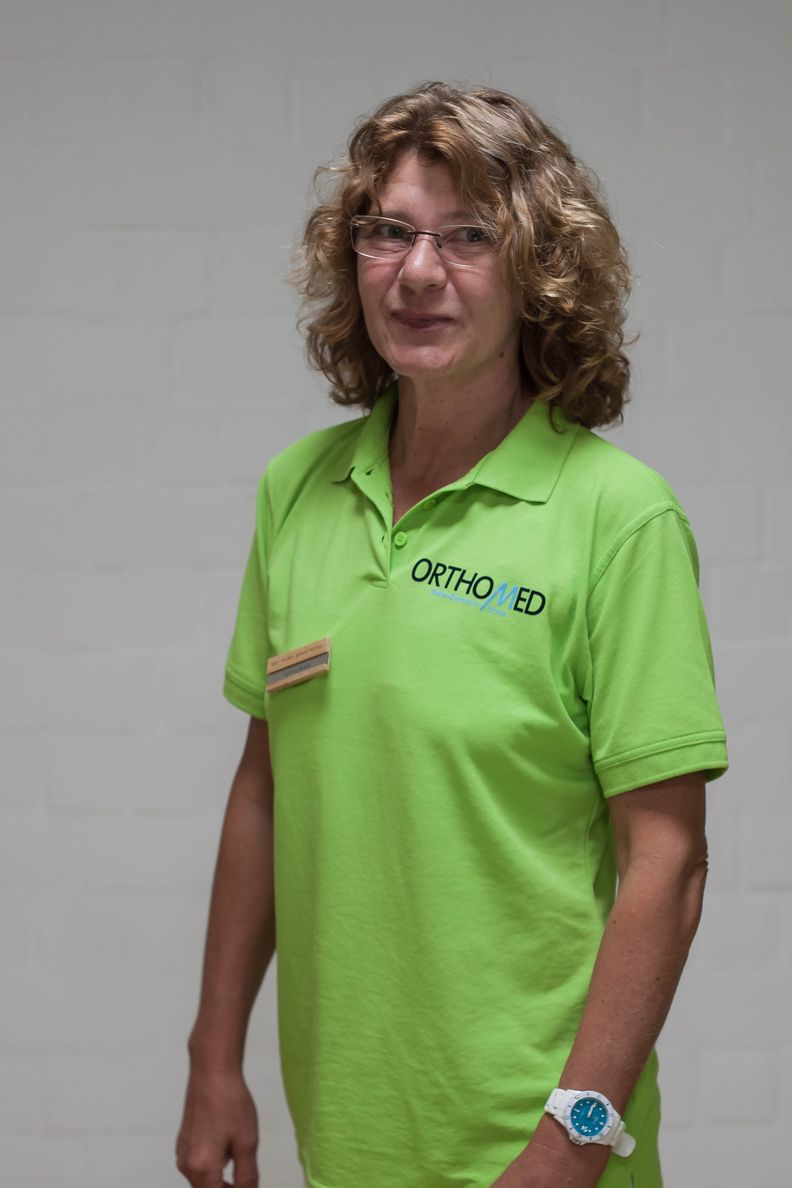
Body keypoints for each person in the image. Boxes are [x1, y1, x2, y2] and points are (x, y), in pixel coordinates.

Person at [175, 81, 729, 1188]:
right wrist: (213, 1057)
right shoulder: (299, 491)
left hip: (537, 1145)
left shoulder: (618, 519)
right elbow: (266, 788)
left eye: (469, 236)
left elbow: (666, 862)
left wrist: (573, 1140)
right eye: (388, 232)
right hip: (349, 1135)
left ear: (539, 272)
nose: (418, 272)